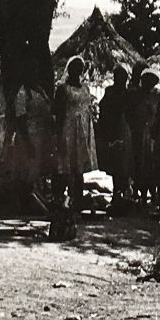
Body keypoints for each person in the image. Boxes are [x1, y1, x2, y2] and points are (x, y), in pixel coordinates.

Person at [53, 56, 99, 211]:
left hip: (83, 130)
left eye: (80, 68)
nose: (78, 70)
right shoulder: (63, 89)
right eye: (75, 67)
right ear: (69, 69)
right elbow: (58, 112)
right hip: (68, 128)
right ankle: (60, 198)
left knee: (79, 167)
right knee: (65, 165)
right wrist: (59, 134)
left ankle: (77, 199)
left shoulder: (85, 88)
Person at [97, 66, 133, 212]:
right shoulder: (111, 92)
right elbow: (104, 108)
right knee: (116, 164)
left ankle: (122, 194)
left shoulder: (127, 94)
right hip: (114, 129)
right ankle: (117, 194)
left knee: (123, 164)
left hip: (123, 130)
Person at [125, 71, 160, 205]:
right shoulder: (134, 95)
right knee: (137, 163)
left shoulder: (155, 96)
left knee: (150, 165)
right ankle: (136, 193)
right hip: (137, 133)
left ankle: (149, 193)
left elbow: (157, 115)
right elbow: (129, 113)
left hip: (150, 135)